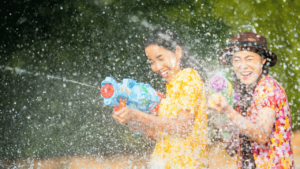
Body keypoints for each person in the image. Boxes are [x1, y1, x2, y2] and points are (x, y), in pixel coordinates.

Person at [112, 28, 208, 168]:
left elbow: (183, 127)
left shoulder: (188, 77)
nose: (157, 67)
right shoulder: (173, 87)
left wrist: (137, 115)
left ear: (178, 52)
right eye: (151, 62)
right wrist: (139, 126)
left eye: (160, 58)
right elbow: (166, 136)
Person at [208, 32, 294, 169]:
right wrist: (220, 117)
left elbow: (261, 135)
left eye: (249, 59)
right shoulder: (245, 94)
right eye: (237, 60)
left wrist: (227, 110)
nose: (243, 66)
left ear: (263, 60)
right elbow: (231, 149)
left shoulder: (268, 89)